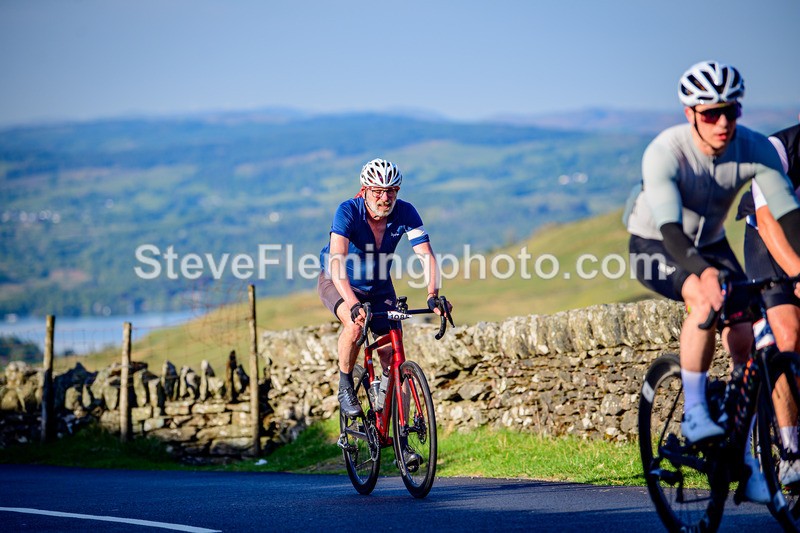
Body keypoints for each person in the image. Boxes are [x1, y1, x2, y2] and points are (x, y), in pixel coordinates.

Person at [625, 60, 800, 503]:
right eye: (710, 114)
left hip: (713, 241)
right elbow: (670, 229)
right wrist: (701, 273)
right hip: (658, 244)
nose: (723, 123)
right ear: (690, 114)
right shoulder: (666, 151)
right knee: (704, 297)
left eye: (731, 112)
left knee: (746, 339)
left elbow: (786, 213)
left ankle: (746, 462)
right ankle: (696, 412)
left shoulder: (754, 147)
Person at [318, 158, 452, 421]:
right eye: (378, 191)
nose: (385, 197)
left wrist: (433, 295)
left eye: (390, 191)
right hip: (338, 281)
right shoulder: (347, 211)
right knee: (355, 326)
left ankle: (403, 434)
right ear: (365, 190)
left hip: (379, 286)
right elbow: (337, 263)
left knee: (394, 355)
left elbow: (425, 255)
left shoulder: (406, 212)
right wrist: (353, 303)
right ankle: (345, 385)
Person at [736, 120, 800, 484]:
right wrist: (796, 273)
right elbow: (766, 219)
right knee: (788, 334)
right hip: (769, 241)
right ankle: (791, 453)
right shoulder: (779, 149)